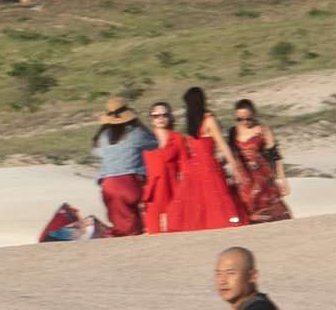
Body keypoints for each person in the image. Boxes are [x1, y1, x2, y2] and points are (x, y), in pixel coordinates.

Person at [169, 86, 244, 232]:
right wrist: (235, 165)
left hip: (193, 167)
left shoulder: (191, 123)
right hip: (208, 165)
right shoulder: (209, 119)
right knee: (217, 198)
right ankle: (227, 222)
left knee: (197, 201)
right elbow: (221, 144)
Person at [91, 99, 154, 237]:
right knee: (133, 225)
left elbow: (97, 152)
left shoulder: (103, 136)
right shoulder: (135, 132)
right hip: (130, 182)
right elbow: (153, 143)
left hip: (108, 184)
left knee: (121, 225)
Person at [229, 98, 292, 224]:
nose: (244, 122)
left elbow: (276, 157)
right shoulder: (233, 132)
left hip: (261, 175)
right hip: (243, 175)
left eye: (248, 118)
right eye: (240, 119)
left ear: (254, 115)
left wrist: (281, 179)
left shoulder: (263, 130)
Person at [139, 101, 182, 235]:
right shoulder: (145, 140)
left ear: (170, 117)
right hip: (153, 191)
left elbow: (184, 165)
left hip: (173, 188)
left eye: (164, 115)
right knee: (154, 230)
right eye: (156, 115)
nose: (161, 118)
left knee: (175, 228)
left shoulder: (178, 138)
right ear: (151, 119)